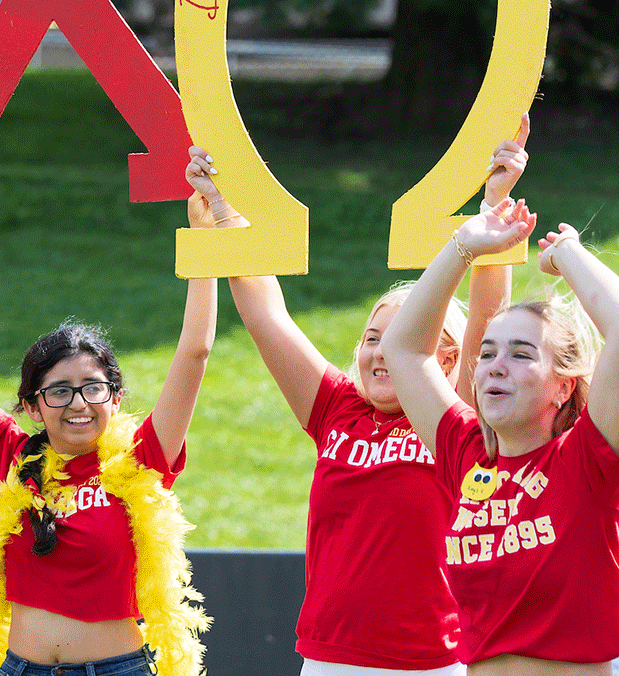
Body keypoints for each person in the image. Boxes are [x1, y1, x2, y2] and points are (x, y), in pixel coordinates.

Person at [186, 126, 527, 676]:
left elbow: (487, 317)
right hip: (329, 659)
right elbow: (268, 317)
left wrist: (494, 209)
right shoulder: (336, 408)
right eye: (372, 339)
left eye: (400, 342)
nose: (380, 354)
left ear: (445, 359)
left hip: (430, 665)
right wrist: (223, 211)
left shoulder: (454, 417)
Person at [0, 162, 217, 676]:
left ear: (115, 398)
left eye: (92, 388)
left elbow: (195, 352)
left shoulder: (144, 460)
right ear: (32, 406)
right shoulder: (12, 459)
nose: (79, 403)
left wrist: (203, 242)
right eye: (59, 391)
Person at [384, 200, 619, 674]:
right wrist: (463, 246)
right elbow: (402, 348)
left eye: (521, 354)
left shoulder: (588, 460)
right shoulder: (467, 455)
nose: (496, 365)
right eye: (486, 353)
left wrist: (565, 252)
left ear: (562, 388)